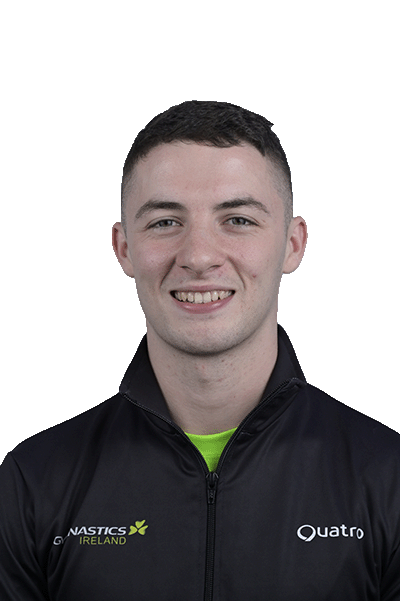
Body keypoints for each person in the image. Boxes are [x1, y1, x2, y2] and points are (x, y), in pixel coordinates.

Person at [1, 100, 400, 601]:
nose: (199, 256)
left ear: (293, 244)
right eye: (165, 222)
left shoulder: (387, 478)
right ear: (123, 248)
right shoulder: (34, 482)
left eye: (238, 220)